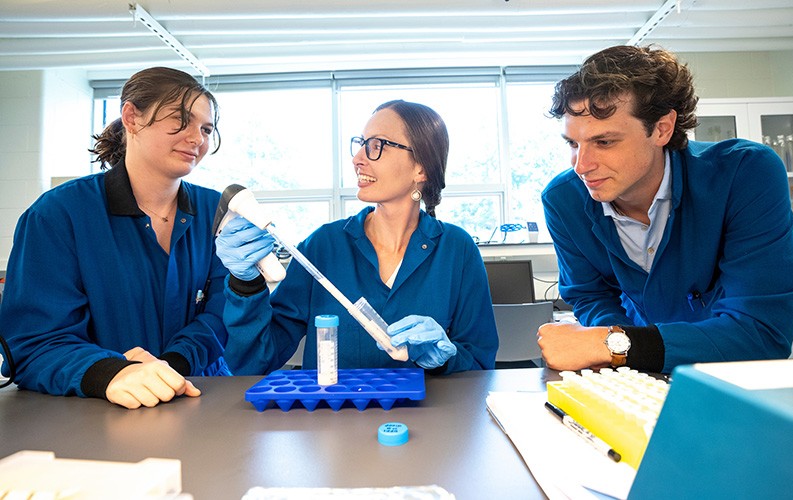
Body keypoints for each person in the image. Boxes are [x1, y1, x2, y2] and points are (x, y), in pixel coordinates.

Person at [537, 45, 793, 374]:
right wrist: (622, 355)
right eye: (573, 143)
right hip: (640, 376)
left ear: (662, 129)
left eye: (604, 142)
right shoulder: (563, 200)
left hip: (737, 380)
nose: (582, 165)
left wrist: (610, 344)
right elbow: (591, 296)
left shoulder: (746, 173)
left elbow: (761, 334)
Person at [0, 67, 231, 408]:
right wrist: (113, 372)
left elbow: (221, 315)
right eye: (181, 119)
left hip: (201, 397)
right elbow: (35, 341)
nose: (197, 138)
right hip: (96, 409)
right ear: (132, 118)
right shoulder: (58, 215)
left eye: (206, 128)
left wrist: (171, 365)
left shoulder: (218, 212)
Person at [216, 99, 498, 374]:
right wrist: (246, 285)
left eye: (377, 146)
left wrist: (445, 359)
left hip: (431, 418)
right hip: (333, 418)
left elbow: (479, 364)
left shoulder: (456, 250)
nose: (357, 159)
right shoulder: (323, 246)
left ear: (420, 168)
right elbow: (255, 362)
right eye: (361, 144)